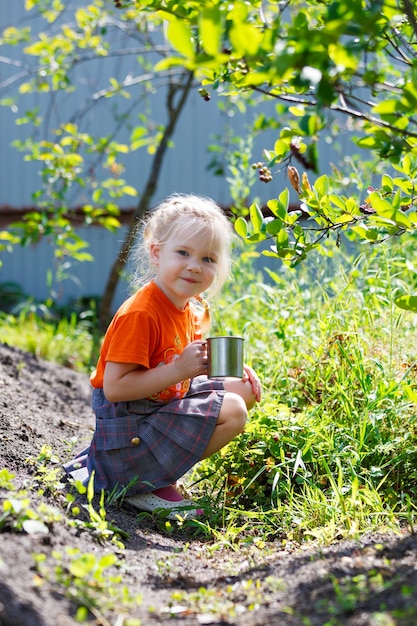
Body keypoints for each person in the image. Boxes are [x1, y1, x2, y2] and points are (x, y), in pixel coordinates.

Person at [64, 193, 261, 519]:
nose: (195, 266)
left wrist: (228, 371)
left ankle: (143, 472)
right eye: (183, 253)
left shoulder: (190, 308)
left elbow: (179, 368)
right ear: (157, 253)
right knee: (235, 411)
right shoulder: (141, 314)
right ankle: (142, 484)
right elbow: (114, 389)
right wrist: (180, 369)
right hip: (129, 427)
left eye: (208, 259)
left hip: (155, 406)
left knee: (240, 390)